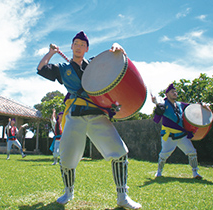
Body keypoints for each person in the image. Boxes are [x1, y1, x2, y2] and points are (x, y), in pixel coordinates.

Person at [36, 31, 141, 209]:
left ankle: (122, 196)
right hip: (75, 115)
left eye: (82, 44)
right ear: (71, 46)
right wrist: (51, 52)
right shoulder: (62, 68)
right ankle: (68, 192)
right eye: (75, 43)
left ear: (87, 49)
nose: (78, 46)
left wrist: (117, 47)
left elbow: (115, 60)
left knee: (120, 151)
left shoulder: (95, 63)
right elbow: (41, 68)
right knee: (66, 157)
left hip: (96, 113)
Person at [152, 83, 208, 179]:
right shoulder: (163, 105)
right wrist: (157, 109)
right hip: (169, 135)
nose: (175, 93)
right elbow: (156, 119)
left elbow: (192, 107)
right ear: (167, 94)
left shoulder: (180, 104)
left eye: (175, 91)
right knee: (164, 154)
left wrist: (202, 105)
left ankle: (195, 172)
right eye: (172, 92)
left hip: (182, 135)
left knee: (192, 151)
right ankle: (159, 172)